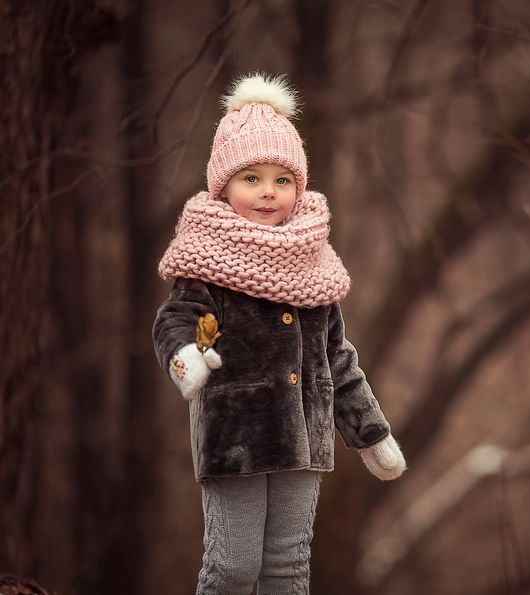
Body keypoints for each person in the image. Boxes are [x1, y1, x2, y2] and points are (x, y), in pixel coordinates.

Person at [151, 72, 407, 595]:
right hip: (236, 440)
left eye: (282, 180)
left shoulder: (316, 269)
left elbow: (337, 360)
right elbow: (174, 321)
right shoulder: (205, 262)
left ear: (299, 187)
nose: (268, 192)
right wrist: (185, 358)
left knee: (287, 570)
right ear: (223, 186)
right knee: (232, 568)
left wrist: (371, 434)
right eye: (251, 178)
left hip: (303, 443)